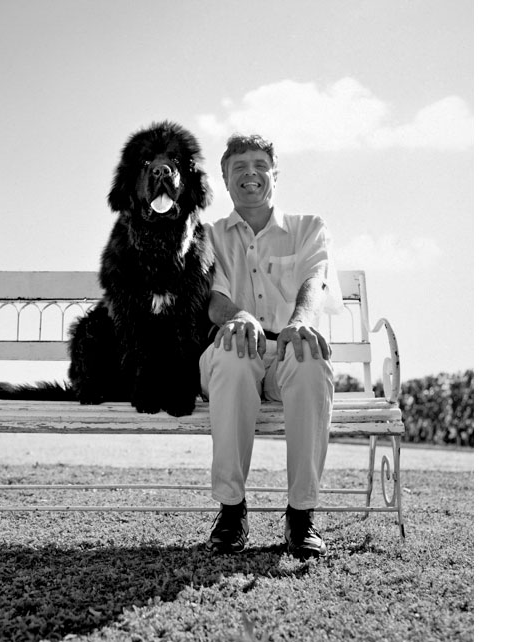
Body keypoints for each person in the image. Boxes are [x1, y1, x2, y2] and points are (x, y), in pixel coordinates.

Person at [200, 133, 343, 559]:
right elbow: (213, 297)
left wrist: (300, 321)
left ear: (274, 175)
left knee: (310, 360)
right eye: (238, 167)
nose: (250, 174)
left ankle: (301, 516)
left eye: (260, 164)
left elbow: (314, 281)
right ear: (225, 180)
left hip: (286, 351)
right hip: (232, 351)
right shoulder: (206, 235)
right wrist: (238, 317)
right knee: (233, 355)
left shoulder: (308, 228)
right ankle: (231, 511)